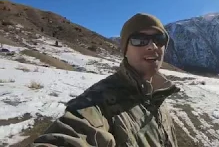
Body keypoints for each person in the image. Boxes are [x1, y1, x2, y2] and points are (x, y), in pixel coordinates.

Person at [30, 13, 181, 147]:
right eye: (139, 40)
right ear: (125, 51)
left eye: (159, 39)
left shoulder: (158, 92)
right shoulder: (97, 101)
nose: (152, 46)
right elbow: (75, 132)